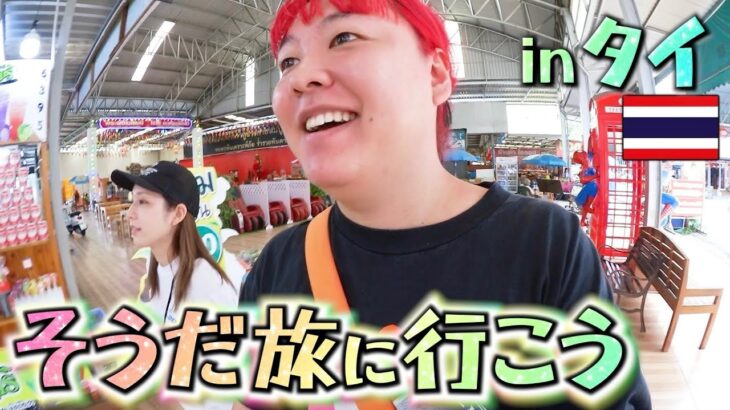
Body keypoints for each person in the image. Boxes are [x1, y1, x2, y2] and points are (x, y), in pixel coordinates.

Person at [240, 1, 651, 409]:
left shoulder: (545, 246)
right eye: (288, 61)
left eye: (344, 37)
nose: (301, 77)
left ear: (435, 75)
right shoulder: (278, 265)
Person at [112, 161, 240, 410]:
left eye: (143, 202)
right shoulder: (158, 271)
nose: (130, 213)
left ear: (178, 214)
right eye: (132, 201)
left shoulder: (209, 288)